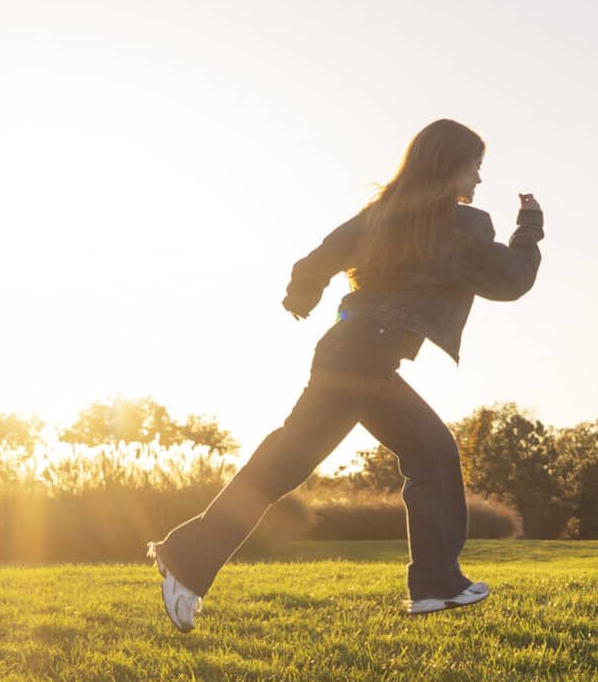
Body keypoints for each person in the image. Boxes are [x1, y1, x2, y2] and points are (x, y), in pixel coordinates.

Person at [147, 118, 543, 626]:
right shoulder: (459, 227)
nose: (479, 181)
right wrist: (530, 226)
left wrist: (302, 296)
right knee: (290, 459)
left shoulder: (383, 215)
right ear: (451, 166)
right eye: (475, 167)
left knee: (431, 452)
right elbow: (511, 280)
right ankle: (187, 560)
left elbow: (318, 258)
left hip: (355, 354)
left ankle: (435, 584)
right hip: (361, 358)